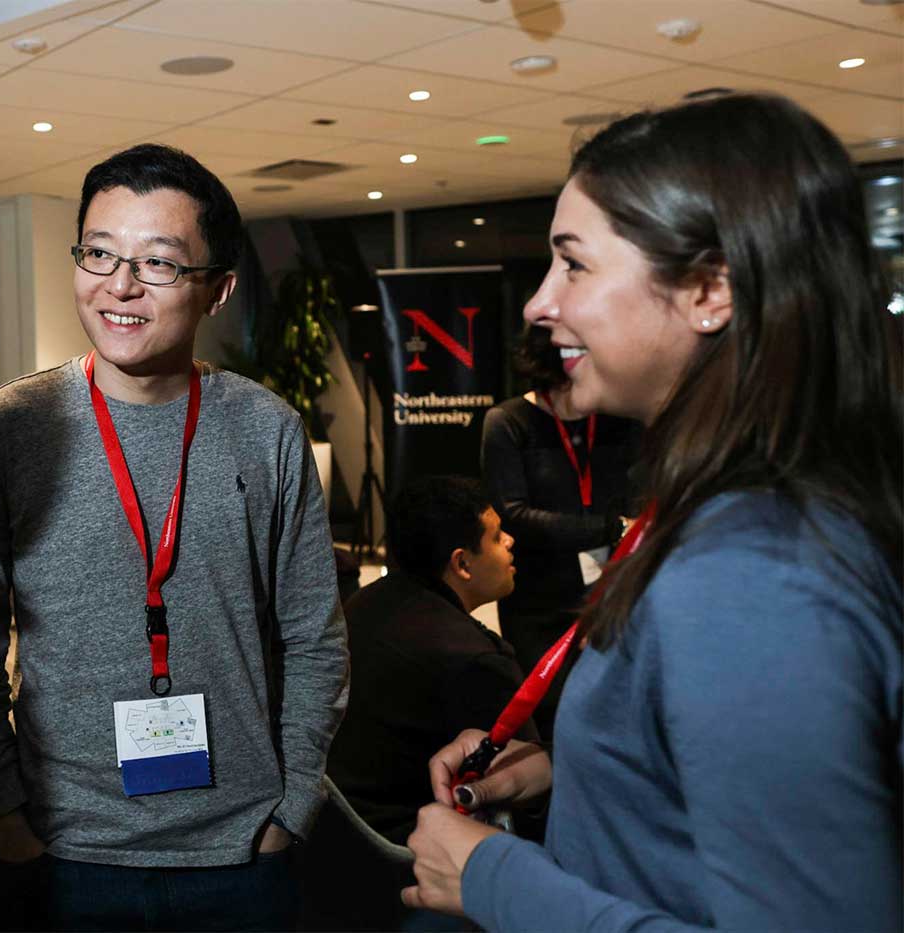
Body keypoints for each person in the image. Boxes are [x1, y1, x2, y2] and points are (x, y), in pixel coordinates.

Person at [402, 93, 902, 931]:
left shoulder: (751, 567)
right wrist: (593, 770)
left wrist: (494, 877)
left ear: (711, 289)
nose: (537, 304)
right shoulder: (746, 502)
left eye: (575, 265)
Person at [0, 143, 348, 931]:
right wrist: (7, 820)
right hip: (63, 856)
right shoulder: (8, 429)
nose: (118, 285)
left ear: (217, 288)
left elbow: (314, 638)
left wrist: (289, 811)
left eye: (157, 263)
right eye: (98, 252)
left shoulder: (267, 430)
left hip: (240, 855)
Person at [327, 475, 533, 847]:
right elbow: (528, 794)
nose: (510, 541)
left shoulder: (363, 603)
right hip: (411, 853)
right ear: (462, 563)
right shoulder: (475, 660)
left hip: (336, 837)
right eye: (497, 535)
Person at [480, 324, 641, 738]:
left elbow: (638, 499)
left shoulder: (618, 420)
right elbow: (514, 516)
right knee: (551, 718)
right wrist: (611, 529)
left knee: (615, 715)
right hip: (538, 599)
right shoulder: (508, 422)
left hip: (611, 594)